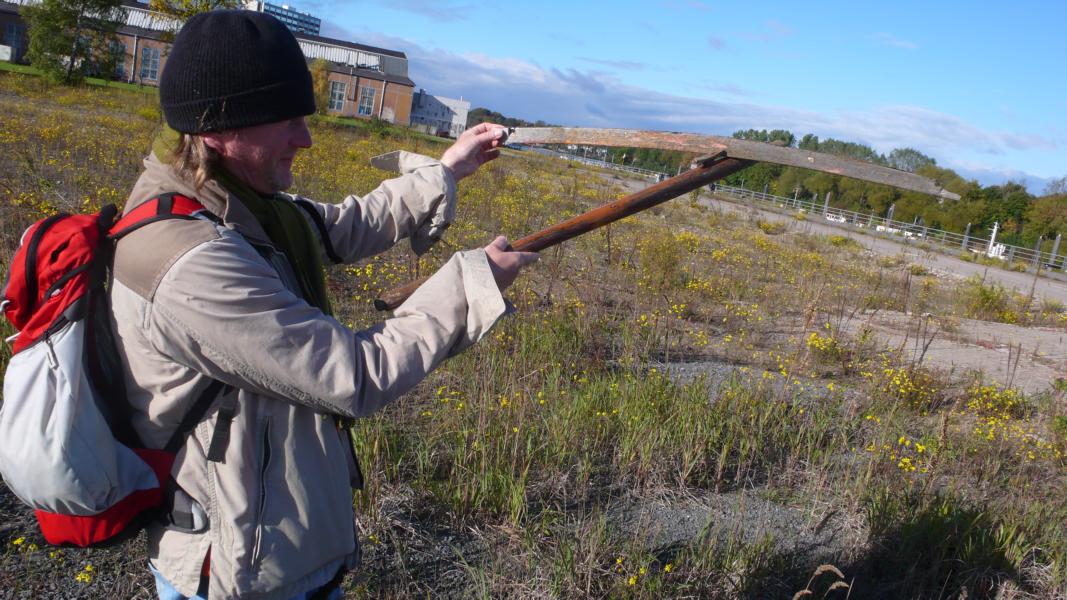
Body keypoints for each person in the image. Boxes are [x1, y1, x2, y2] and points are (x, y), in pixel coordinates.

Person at [109, 10, 538, 599]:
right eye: (286, 121)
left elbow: (337, 228)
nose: (305, 139)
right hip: (237, 571)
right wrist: (473, 283)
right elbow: (352, 375)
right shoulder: (187, 260)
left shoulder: (235, 199)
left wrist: (447, 171)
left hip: (273, 545)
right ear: (217, 129)